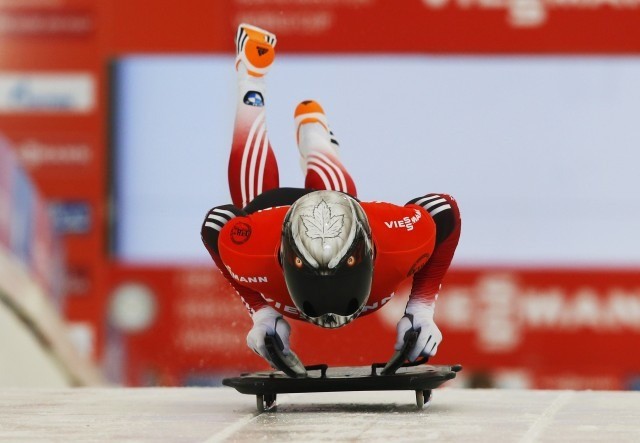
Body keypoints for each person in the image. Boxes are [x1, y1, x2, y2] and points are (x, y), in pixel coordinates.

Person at [201, 24, 461, 369]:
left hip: (333, 217)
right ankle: (262, 87)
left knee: (333, 197)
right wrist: (260, 314)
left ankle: (309, 133)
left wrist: (421, 309)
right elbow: (216, 226)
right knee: (262, 202)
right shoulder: (253, 248)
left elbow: (445, 210)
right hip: (273, 214)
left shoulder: (398, 240)